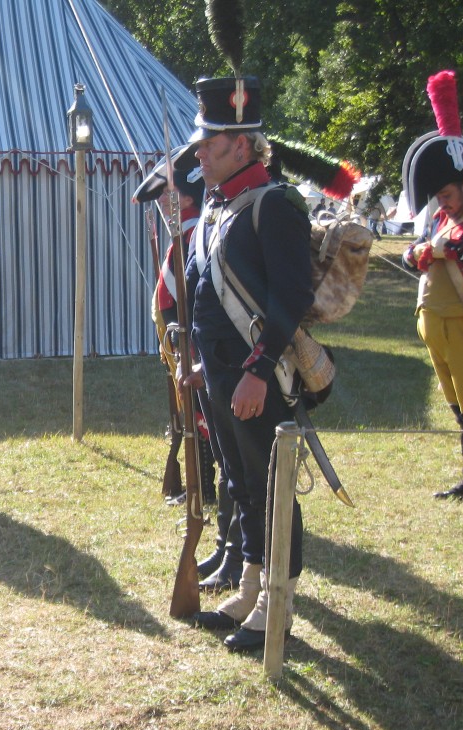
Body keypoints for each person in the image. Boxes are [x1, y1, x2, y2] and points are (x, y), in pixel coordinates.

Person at [181, 75, 313, 651]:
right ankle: (252, 586)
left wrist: (259, 370)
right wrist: (194, 359)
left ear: (241, 143)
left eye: (209, 144)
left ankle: (276, 605)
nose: (199, 153)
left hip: (260, 375)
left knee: (271, 486)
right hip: (217, 374)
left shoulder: (276, 205)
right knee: (240, 483)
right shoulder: (218, 207)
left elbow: (292, 299)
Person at [133, 146, 242, 591]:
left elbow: (196, 303)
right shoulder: (187, 237)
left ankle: (233, 537)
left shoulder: (198, 237)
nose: (163, 205)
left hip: (207, 355)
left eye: (170, 197)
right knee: (203, 430)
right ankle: (226, 536)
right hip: (186, 354)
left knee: (221, 440)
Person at [401, 70, 463, 510]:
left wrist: (445, 247)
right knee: (457, 401)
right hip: (434, 323)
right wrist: (426, 250)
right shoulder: (440, 221)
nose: (445, 202)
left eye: (450, 194)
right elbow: (412, 254)